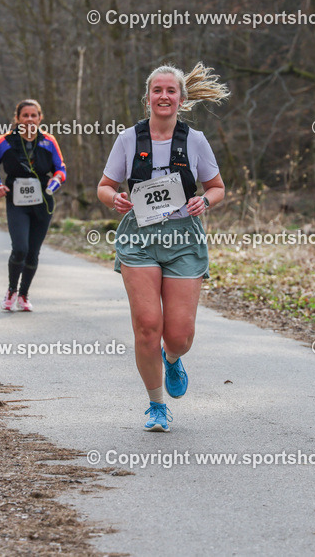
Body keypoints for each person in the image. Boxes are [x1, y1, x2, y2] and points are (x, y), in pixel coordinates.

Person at [97, 63, 227, 432]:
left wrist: (207, 201)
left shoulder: (195, 140)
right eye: (157, 90)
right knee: (147, 326)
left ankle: (172, 359)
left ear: (182, 99)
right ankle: (156, 405)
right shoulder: (128, 139)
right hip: (139, 235)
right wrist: (114, 199)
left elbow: (217, 186)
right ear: (148, 98)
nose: (164, 96)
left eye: (171, 91)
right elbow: (104, 185)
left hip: (183, 236)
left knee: (179, 335)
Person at [0, 100, 66, 312]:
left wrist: (55, 181)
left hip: (43, 201)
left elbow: (61, 169)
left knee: (33, 253)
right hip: (16, 201)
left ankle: (24, 295)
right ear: (17, 118)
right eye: (25, 115)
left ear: (40, 118)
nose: (29, 119)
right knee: (20, 248)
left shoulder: (49, 141)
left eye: (33, 115)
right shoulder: (5, 141)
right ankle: (11, 290)